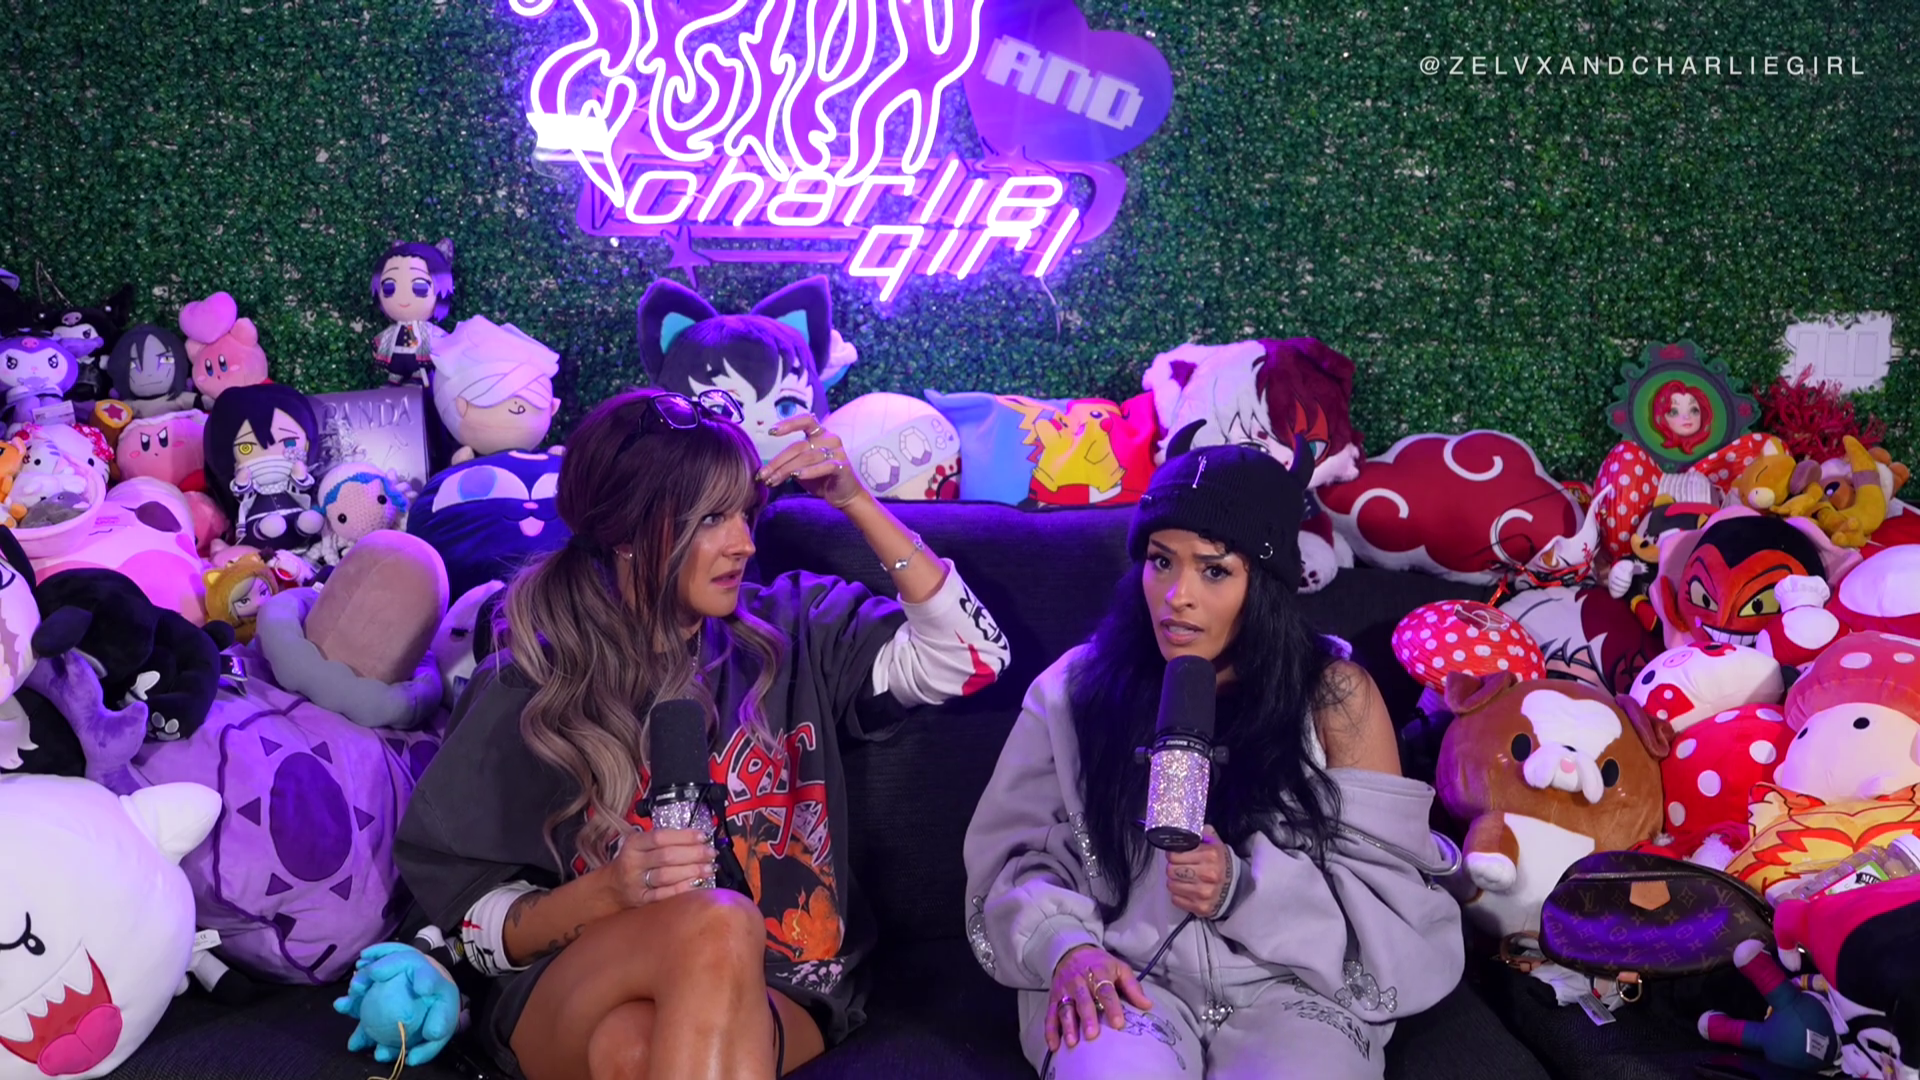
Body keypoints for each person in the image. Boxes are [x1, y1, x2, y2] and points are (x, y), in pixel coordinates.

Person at [395, 387, 1009, 1080]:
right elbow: (467, 924)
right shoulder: (533, 681)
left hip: (779, 987)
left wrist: (856, 502)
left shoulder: (794, 629)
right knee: (717, 923)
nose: (744, 543)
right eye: (712, 517)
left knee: (633, 1048)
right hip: (577, 980)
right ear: (626, 533)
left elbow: (974, 657)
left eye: (746, 512)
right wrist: (610, 892)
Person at [962, 442, 1464, 1080]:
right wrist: (1065, 947)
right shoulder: (1070, 693)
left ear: (1266, 584)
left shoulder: (1336, 696)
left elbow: (1390, 904)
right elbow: (1012, 862)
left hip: (1295, 989)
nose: (1177, 596)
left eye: (1214, 570)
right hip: (1127, 978)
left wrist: (1243, 888)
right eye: (1161, 561)